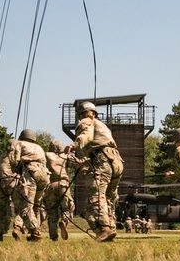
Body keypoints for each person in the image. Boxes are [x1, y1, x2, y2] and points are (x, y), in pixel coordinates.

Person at [66, 101, 124, 242]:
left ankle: (104, 229)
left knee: (96, 195)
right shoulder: (102, 125)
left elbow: (87, 135)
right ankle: (111, 229)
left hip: (102, 158)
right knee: (109, 198)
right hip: (116, 160)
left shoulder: (86, 121)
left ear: (80, 114)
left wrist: (74, 145)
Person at [9, 129, 50, 242]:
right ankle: (32, 232)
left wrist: (16, 169)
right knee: (35, 204)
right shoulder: (39, 148)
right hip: (44, 174)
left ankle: (35, 232)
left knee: (26, 206)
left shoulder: (19, 143)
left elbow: (13, 159)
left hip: (30, 172)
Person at [44, 139, 83, 241]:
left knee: (51, 212)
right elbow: (78, 164)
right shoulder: (65, 156)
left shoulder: (46, 155)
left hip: (50, 186)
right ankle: (64, 221)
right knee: (68, 207)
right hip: (63, 185)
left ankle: (53, 237)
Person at [0, 142, 19, 241]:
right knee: (19, 208)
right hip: (12, 182)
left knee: (0, 211)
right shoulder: (15, 156)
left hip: (1, 184)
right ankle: (17, 228)